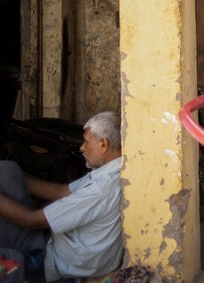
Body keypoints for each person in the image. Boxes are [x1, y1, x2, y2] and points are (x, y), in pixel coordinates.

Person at [0, 111, 123, 281]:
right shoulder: (111, 171)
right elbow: (63, 191)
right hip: (62, 242)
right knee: (8, 171)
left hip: (52, 259)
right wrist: (20, 179)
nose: (81, 147)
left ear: (103, 145)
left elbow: (30, 220)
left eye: (86, 142)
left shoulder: (100, 190)